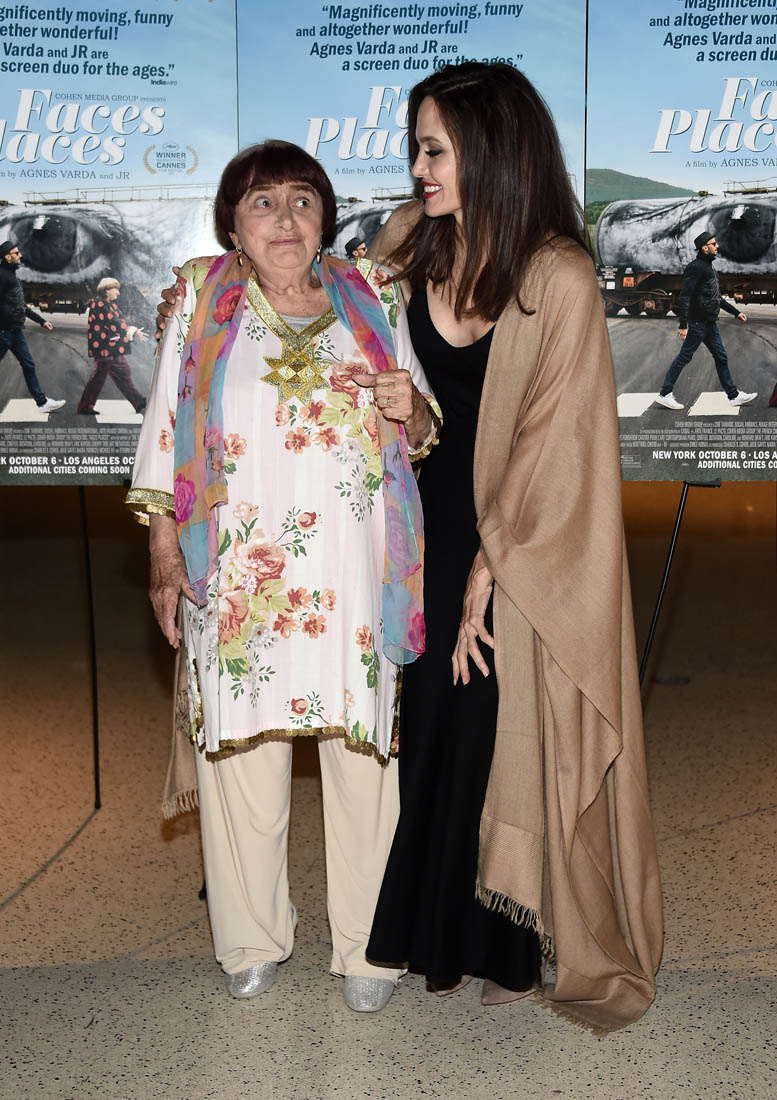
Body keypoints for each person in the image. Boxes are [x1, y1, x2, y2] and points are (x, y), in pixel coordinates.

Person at [361, 63, 663, 1032]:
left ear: (492, 152)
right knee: (433, 725)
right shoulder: (408, 241)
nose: (418, 169)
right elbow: (328, 317)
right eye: (416, 149)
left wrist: (490, 567)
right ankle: (437, 934)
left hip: (523, 535)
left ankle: (507, 944)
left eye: (435, 150)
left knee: (499, 726)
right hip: (419, 520)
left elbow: (559, 438)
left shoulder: (557, 275)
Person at [127, 141, 440, 1014]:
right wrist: (162, 552)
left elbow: (420, 423)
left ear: (325, 217)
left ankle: (369, 945)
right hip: (239, 569)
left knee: (365, 756)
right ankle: (250, 937)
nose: (285, 219)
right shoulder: (199, 298)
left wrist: (409, 409)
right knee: (239, 753)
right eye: (262, 202)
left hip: (355, 567)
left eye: (302, 200)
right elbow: (164, 427)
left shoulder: (372, 293)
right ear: (232, 222)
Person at [655, 231, 756, 410]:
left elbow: (716, 297)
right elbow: (685, 296)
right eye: (713, 244)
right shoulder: (695, 268)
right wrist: (683, 324)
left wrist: (736, 312)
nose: (717, 247)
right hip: (697, 323)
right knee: (684, 357)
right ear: (704, 248)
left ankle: (733, 396)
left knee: (721, 356)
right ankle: (665, 393)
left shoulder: (709, 267)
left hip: (709, 322)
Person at [0, 240, 65, 413]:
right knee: (28, 365)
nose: (20, 255)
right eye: (16, 253)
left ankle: (42, 403)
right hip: (4, 332)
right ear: (7, 257)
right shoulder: (2, 276)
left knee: (28, 365)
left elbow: (20, 306)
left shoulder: (13, 276)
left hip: (15, 332)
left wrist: (41, 321)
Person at [77, 277, 148, 415]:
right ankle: (84, 406)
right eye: (116, 289)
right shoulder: (99, 303)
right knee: (98, 377)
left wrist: (132, 330)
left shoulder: (110, 304)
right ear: (107, 290)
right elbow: (114, 321)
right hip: (103, 348)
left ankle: (138, 401)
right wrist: (132, 331)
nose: (118, 292)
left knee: (123, 371)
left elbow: (120, 320)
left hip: (112, 347)